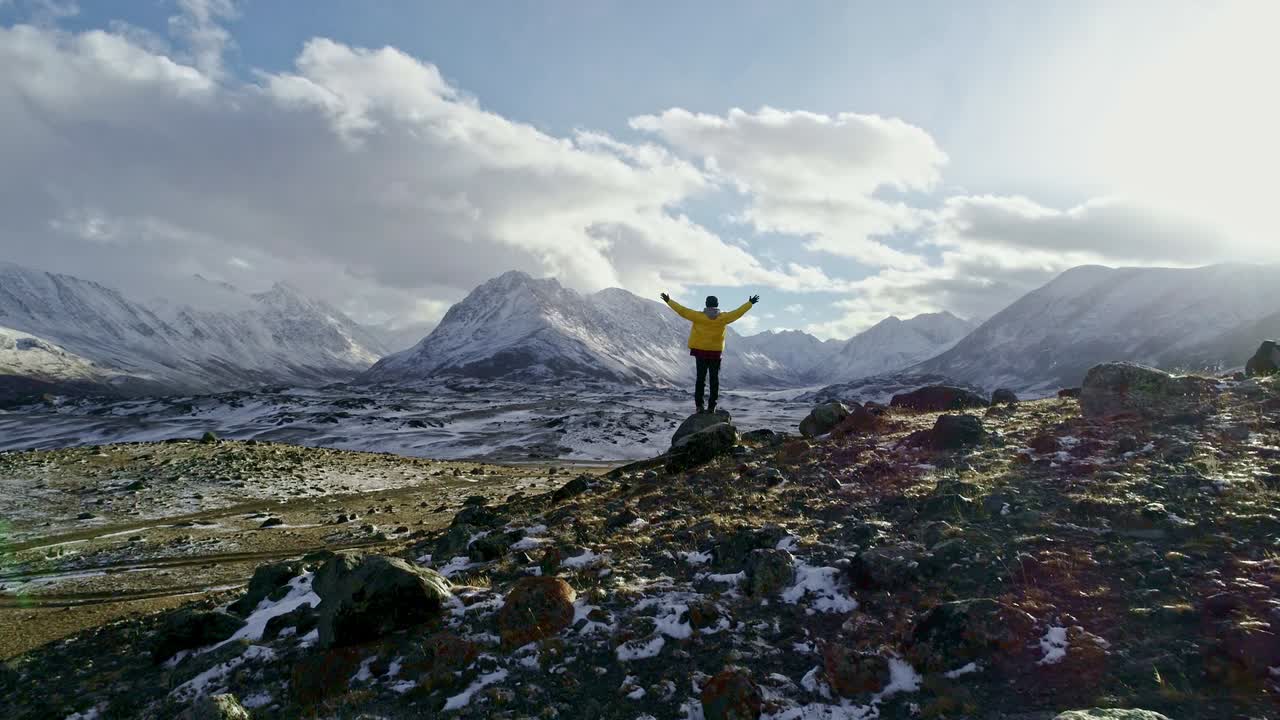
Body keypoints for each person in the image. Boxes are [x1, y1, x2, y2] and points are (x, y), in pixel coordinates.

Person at [660, 292, 760, 413]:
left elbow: (682, 310)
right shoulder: (724, 318)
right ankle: (712, 407)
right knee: (714, 380)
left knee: (700, 379)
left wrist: (668, 301)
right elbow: (738, 312)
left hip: (700, 352)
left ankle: (699, 406)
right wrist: (750, 303)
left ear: (706, 304)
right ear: (717, 304)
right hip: (715, 352)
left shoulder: (698, 316)